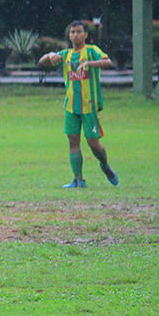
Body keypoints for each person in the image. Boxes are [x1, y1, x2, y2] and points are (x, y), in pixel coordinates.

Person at [39, 20, 118, 189]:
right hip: (71, 106)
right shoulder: (65, 54)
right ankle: (78, 180)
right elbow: (42, 62)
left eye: (79, 32)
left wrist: (89, 64)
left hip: (89, 106)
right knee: (72, 141)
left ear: (86, 34)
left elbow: (108, 62)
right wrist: (50, 55)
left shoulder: (91, 51)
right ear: (69, 35)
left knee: (93, 143)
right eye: (72, 32)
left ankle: (105, 165)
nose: (75, 35)